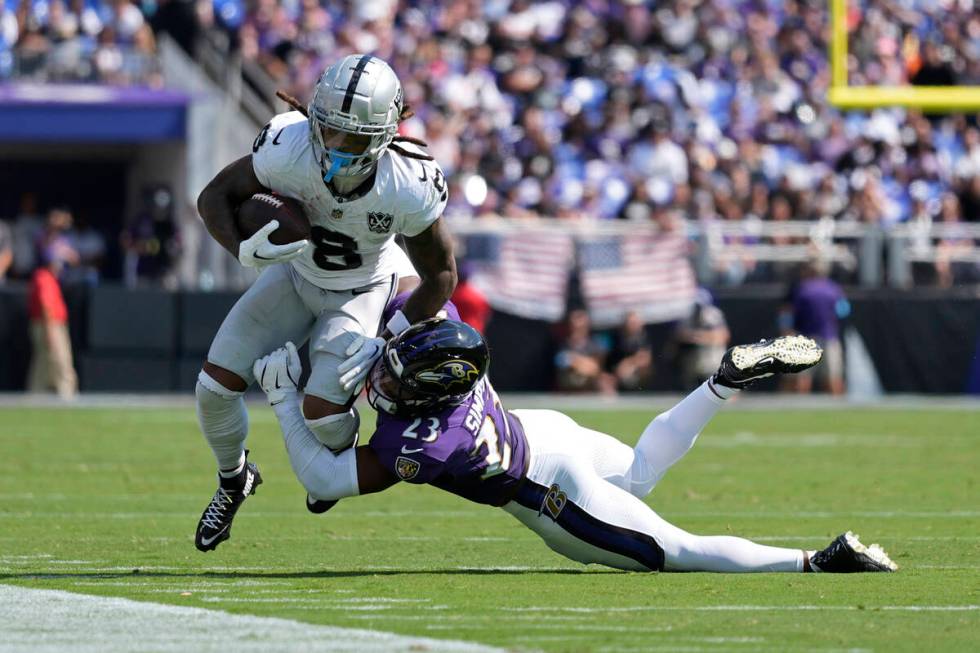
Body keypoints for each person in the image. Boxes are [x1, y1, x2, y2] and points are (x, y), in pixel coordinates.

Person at [251, 307, 896, 574]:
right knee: (642, 472)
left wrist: (282, 401)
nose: (385, 380)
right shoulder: (450, 352)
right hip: (547, 433)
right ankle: (722, 384)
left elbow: (323, 480)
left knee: (679, 553)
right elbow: (413, 297)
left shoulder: (425, 441)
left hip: (552, 491)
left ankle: (816, 561)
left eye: (397, 374)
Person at [192, 54, 457, 552]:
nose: (335, 147)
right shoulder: (287, 145)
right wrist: (241, 249)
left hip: (360, 291)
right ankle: (234, 479)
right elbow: (214, 198)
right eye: (329, 131)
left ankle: (334, 465)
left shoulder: (408, 181)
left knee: (323, 415)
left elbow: (441, 275)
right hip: (294, 278)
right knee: (212, 389)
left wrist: (387, 335)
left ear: (383, 137)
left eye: (352, 138)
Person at [780, 260, 847, 395]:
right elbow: (844, 310)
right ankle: (838, 412)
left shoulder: (802, 289)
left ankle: (799, 412)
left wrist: (786, 331)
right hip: (829, 337)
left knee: (802, 379)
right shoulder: (834, 288)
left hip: (805, 338)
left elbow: (789, 313)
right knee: (833, 378)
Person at [27, 252, 78, 398]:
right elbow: (46, 305)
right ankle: (66, 395)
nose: (59, 268)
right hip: (49, 325)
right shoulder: (44, 277)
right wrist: (50, 330)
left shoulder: (46, 277)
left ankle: (36, 394)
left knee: (44, 362)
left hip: (49, 325)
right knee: (60, 360)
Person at [673, 289, 731, 391]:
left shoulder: (713, 315)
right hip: (693, 354)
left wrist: (701, 337)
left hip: (710, 354)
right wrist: (693, 337)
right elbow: (679, 334)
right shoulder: (686, 315)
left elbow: (723, 336)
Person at [554, 309, 616, 394]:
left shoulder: (595, 344)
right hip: (569, 383)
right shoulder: (563, 345)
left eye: (581, 325)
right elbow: (561, 362)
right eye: (574, 324)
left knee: (606, 381)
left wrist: (575, 359)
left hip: (589, 384)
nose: (577, 327)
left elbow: (595, 368)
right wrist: (583, 363)